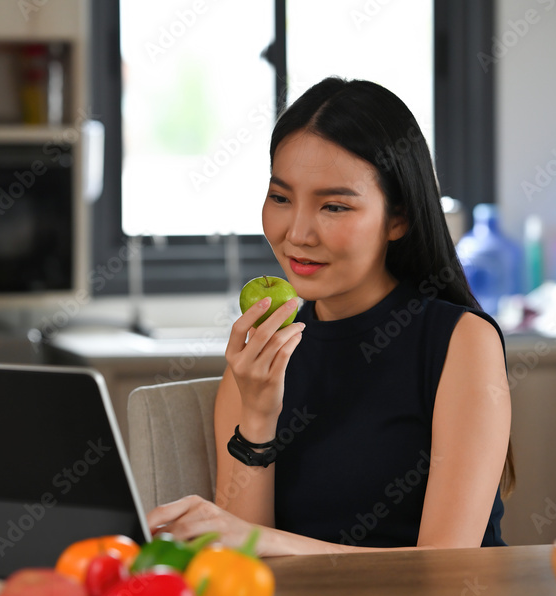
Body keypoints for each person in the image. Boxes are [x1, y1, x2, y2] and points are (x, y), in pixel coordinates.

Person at [146, 77, 513, 555]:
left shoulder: (461, 341)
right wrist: (257, 411)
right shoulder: (262, 352)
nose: (297, 233)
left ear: (398, 218)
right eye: (280, 198)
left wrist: (256, 539)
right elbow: (242, 568)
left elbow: (442, 571)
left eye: (334, 206)